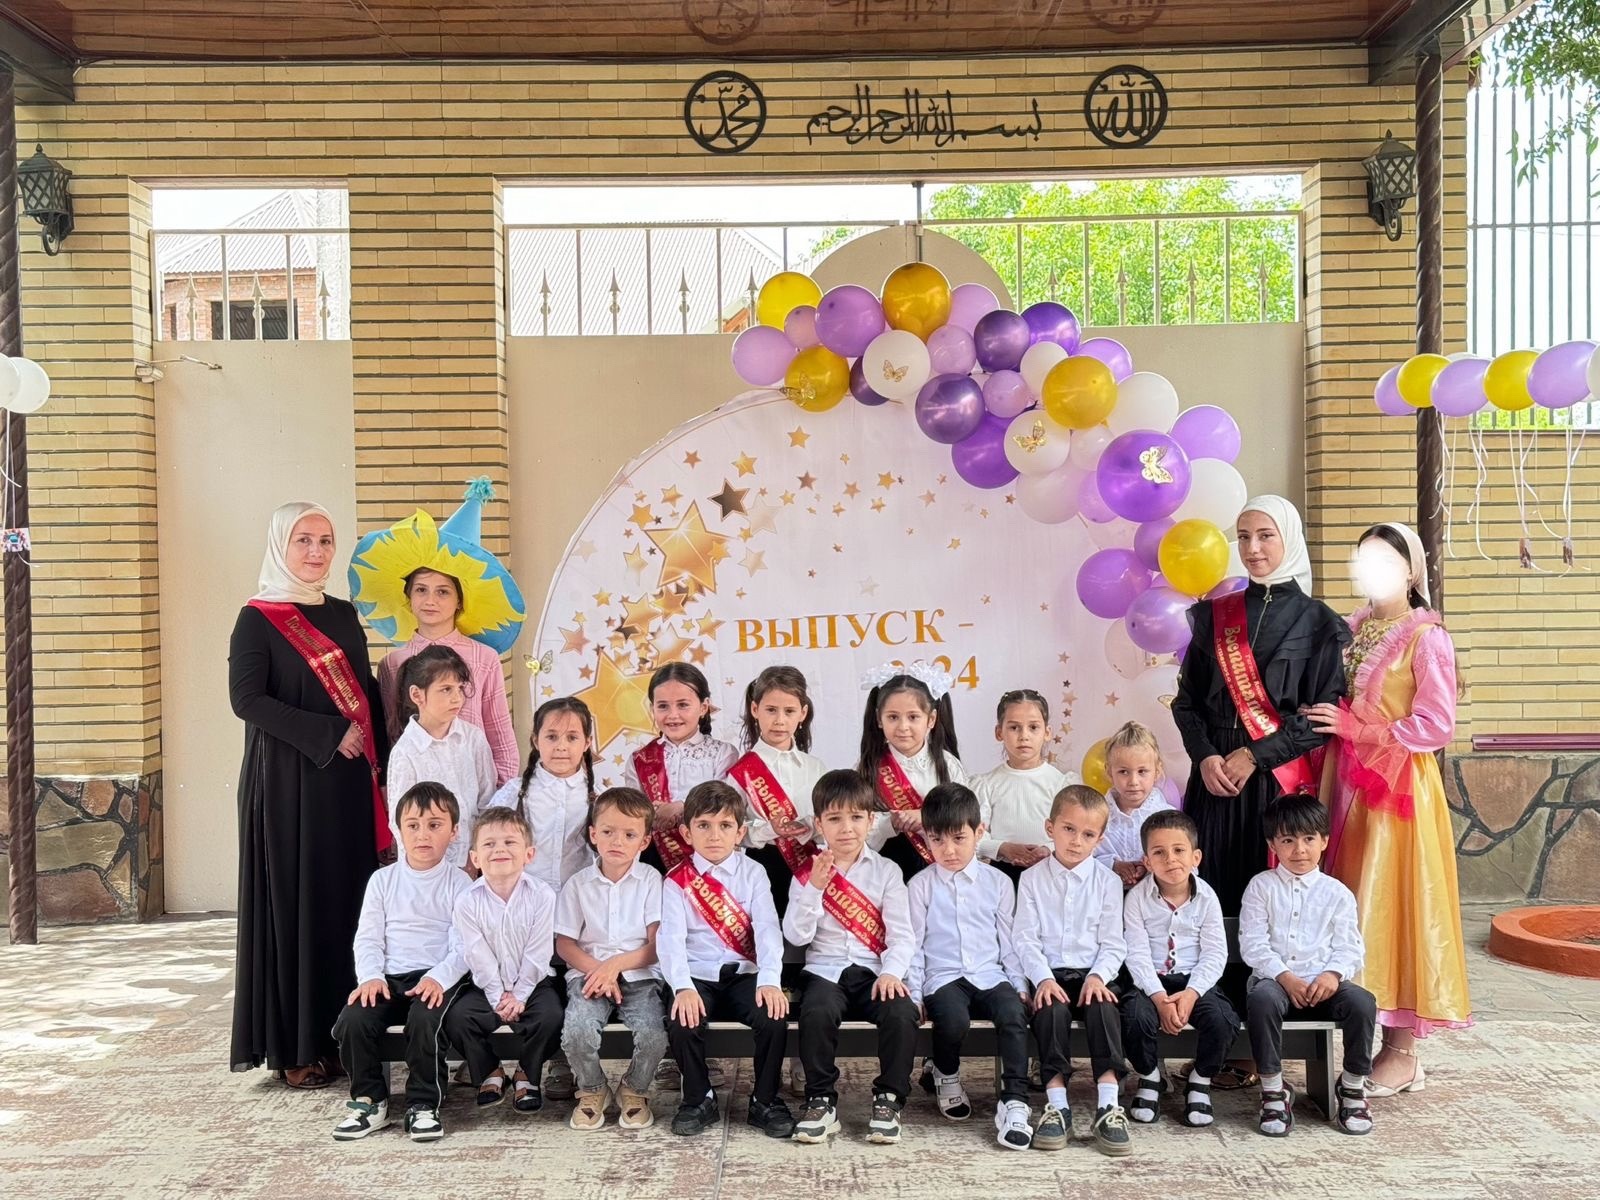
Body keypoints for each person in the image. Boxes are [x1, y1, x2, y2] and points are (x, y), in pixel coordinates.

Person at [1307, 521, 1472, 1096]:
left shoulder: (1426, 637)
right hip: (1343, 783)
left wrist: (1359, 729)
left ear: (1410, 571)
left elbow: (1436, 723)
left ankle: (1402, 1053)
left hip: (1396, 793)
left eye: (1386, 561)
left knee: (1395, 904)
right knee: (1350, 905)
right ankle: (1357, 1028)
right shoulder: (1350, 629)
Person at [230, 501, 390, 1089]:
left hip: (346, 787)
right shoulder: (258, 618)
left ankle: (343, 1038)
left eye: (325, 540)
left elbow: (364, 692)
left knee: (346, 904)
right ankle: (295, 1048)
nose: (317, 551)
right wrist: (328, 734)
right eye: (304, 540)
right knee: (295, 905)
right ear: (281, 545)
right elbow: (247, 700)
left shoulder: (343, 614)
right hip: (288, 787)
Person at [1171, 494, 1350, 912]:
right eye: (1244, 537)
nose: (1252, 548)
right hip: (1216, 774)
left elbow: (1322, 718)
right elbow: (1187, 702)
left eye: (1265, 536)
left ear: (1289, 538)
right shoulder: (1215, 615)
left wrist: (1254, 756)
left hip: (1275, 775)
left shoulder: (1318, 622)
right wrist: (1205, 757)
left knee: (1272, 892)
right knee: (1209, 884)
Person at [352, 479, 526, 785]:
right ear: (408, 596)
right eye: (421, 589)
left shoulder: (484, 658)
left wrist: (503, 795)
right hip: (419, 793)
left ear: (460, 600)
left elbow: (500, 735)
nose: (430, 600)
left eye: (443, 591)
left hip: (476, 787)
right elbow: (392, 735)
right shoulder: (393, 663)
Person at [786, 770, 920, 1147]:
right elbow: (796, 936)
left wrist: (892, 973)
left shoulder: (887, 871)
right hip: (825, 970)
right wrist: (815, 888)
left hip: (874, 971)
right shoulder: (807, 873)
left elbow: (902, 935)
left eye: (856, 817)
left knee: (901, 1012)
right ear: (819, 824)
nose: (846, 828)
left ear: (871, 820)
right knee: (816, 1012)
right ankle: (821, 1101)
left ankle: (889, 1099)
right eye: (834, 818)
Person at [330, 783, 470, 1143]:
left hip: (436, 978)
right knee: (353, 1021)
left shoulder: (460, 883)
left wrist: (438, 978)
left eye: (435, 825)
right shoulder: (382, 881)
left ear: (454, 831)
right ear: (398, 830)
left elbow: (464, 946)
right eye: (413, 825)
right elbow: (368, 937)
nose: (423, 834)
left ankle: (423, 1104)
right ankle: (369, 1101)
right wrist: (370, 976)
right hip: (388, 978)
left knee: (425, 1022)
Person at [660, 781, 794, 1138]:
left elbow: (767, 930)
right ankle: (698, 1098)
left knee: (773, 1016)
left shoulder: (754, 873)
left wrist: (770, 979)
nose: (714, 835)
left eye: (725, 825)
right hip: (697, 976)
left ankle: (765, 1100)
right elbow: (670, 940)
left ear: (740, 832)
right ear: (686, 833)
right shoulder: (676, 881)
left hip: (744, 974)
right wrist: (682, 987)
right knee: (682, 1020)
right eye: (703, 825)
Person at [1240, 794, 1376, 1138]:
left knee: (1362, 1002)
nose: (1299, 849)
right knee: (1261, 999)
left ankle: (1352, 1085)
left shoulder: (1337, 893)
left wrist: (1332, 975)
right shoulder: (1261, 887)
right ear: (1272, 845)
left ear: (1324, 841)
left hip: (1323, 985)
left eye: (1309, 839)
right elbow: (1253, 944)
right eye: (1288, 840)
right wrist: (1285, 978)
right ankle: (1273, 1090)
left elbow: (1350, 947)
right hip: (1275, 982)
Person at [906, 783, 1033, 1150]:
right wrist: (914, 993)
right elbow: (913, 945)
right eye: (937, 840)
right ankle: (946, 1073)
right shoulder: (920, 886)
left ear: (979, 832)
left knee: (1013, 1015)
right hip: (943, 977)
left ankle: (1015, 1099)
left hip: (990, 974)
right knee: (952, 1019)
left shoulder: (998, 883)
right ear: (926, 838)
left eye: (959, 838)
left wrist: (1019, 985)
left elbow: (1009, 941)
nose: (948, 850)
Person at [491, 694, 600, 1100]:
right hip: (524, 913)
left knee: (568, 987)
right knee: (535, 987)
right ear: (535, 740)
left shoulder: (597, 796)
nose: (561, 746)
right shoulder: (514, 795)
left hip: (577, 915)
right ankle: (533, 1060)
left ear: (587, 743)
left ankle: (565, 1062)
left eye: (572, 737)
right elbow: (491, 847)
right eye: (551, 736)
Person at [1014, 784, 1131, 1158]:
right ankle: (1057, 1106)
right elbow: (1024, 938)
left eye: (1088, 834)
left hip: (1094, 973)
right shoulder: (1032, 879)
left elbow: (1114, 942)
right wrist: (1043, 979)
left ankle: (1109, 1106)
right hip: (1050, 974)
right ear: (1050, 828)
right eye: (1068, 829)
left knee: (1104, 1008)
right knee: (1049, 1011)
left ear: (1100, 838)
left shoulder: (1107, 882)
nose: (1077, 841)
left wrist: (1098, 976)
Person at [555, 787, 669, 1132]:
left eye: (629, 835)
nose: (617, 841)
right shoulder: (577, 884)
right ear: (593, 834)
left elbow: (657, 946)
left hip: (640, 975)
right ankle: (593, 1089)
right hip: (587, 975)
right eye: (607, 831)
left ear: (645, 841)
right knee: (576, 1033)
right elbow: (565, 944)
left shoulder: (652, 881)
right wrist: (600, 972)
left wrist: (615, 966)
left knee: (654, 1036)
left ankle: (634, 1088)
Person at [442, 807, 563, 1115]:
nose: (499, 849)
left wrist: (520, 995)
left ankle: (526, 1073)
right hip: (486, 985)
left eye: (510, 842)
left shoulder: (542, 895)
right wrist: (498, 997)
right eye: (489, 844)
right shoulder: (467, 900)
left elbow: (539, 951)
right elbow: (476, 953)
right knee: (458, 1017)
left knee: (551, 1017)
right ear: (475, 858)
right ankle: (490, 1070)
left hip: (533, 982)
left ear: (529, 854)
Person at [1120, 810, 1236, 1129]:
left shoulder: (1207, 898)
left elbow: (1215, 953)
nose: (1170, 859)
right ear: (1147, 861)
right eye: (1159, 852)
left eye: (1179, 850)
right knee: (1134, 1017)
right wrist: (1158, 998)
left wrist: (1192, 993)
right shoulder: (1137, 899)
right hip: (1150, 982)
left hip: (1194, 981)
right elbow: (1136, 953)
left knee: (1223, 1020)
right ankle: (1149, 1077)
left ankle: (1200, 1080)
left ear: (1195, 857)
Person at [386, 645, 496, 870]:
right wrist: (425, 868)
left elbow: (488, 802)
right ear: (417, 695)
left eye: (460, 688)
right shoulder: (405, 752)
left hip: (473, 864)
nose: (457, 698)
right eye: (446, 689)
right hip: (427, 869)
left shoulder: (473, 739)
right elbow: (401, 822)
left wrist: (476, 857)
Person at [729, 665, 826, 917]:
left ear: (802, 713)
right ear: (755, 709)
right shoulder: (740, 772)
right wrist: (770, 829)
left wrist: (811, 826)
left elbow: (829, 821)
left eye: (789, 711)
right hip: (763, 866)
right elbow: (733, 830)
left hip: (810, 867)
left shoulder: (815, 768)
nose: (779, 720)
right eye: (771, 710)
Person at [856, 661, 967, 881]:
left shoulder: (948, 765)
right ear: (879, 719)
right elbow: (856, 825)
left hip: (939, 870)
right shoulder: (868, 767)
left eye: (913, 717)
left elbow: (964, 819)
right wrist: (890, 822)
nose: (903, 727)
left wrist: (926, 817)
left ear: (931, 719)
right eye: (893, 717)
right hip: (883, 872)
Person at [626, 663, 739, 873]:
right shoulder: (640, 759)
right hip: (655, 861)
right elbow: (633, 815)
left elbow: (727, 806)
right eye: (663, 706)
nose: (673, 715)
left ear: (704, 707)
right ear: (652, 709)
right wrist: (652, 814)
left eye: (683, 705)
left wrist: (681, 808)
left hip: (711, 859)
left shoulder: (723, 754)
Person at [971, 689, 1075, 882]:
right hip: (1001, 876)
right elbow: (973, 834)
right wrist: (1002, 848)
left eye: (1033, 727)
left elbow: (1073, 832)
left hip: (1051, 874)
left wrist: (1048, 849)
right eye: (1014, 728)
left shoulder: (1062, 784)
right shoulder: (986, 785)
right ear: (999, 732)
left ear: (1047, 733)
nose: (1024, 736)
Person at [1094, 721, 1173, 889]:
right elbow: (1081, 856)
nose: (1133, 781)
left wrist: (1150, 867)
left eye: (1142, 771)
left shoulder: (1169, 818)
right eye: (1123, 772)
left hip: (1152, 899)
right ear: (1109, 771)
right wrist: (1113, 865)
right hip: (1104, 897)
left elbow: (1185, 865)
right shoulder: (1095, 815)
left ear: (1157, 771)